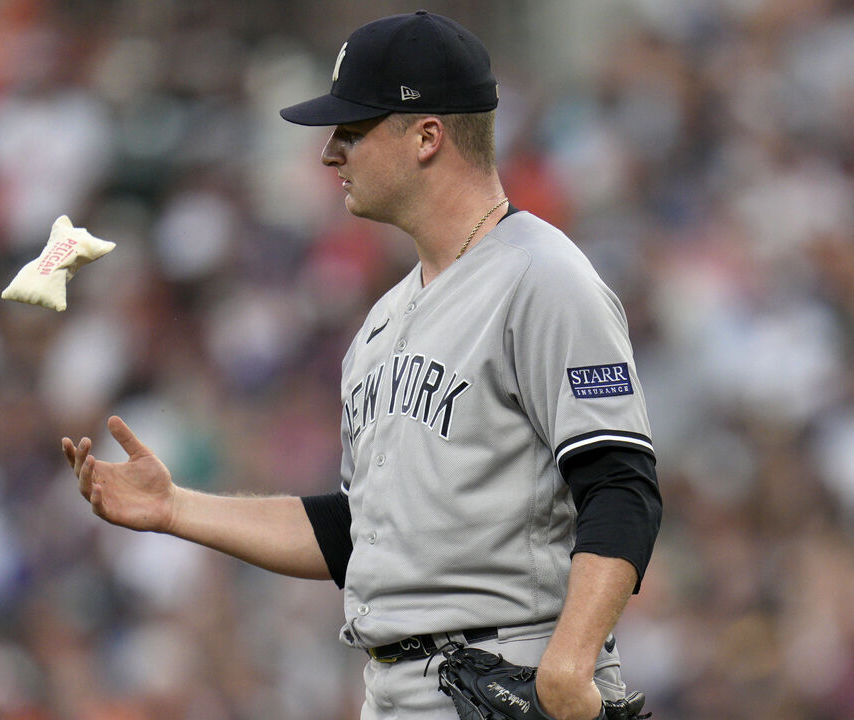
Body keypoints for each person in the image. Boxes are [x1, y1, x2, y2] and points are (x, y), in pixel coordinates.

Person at [61, 11, 662, 720]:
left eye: (352, 128)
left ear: (427, 136)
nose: (328, 152)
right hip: (397, 692)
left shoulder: (542, 276)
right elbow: (361, 534)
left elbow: (622, 487)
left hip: (514, 680)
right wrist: (175, 509)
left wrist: (570, 662)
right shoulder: (381, 322)